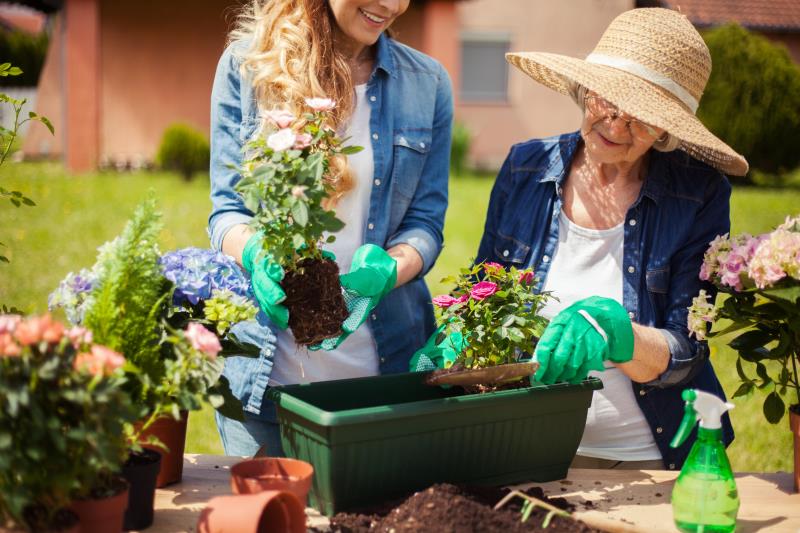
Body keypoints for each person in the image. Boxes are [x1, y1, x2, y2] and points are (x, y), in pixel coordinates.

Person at [474, 8, 746, 471]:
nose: (617, 125)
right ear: (586, 87)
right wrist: (457, 333)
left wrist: (619, 335)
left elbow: (688, 348)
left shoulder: (698, 193)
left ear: (667, 129)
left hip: (642, 458)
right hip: (523, 446)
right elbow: (482, 292)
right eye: (610, 101)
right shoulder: (525, 167)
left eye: (643, 117)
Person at [208, 0, 453, 456]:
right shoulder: (249, 64)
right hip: (265, 382)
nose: (392, 5)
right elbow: (226, 212)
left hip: (385, 384)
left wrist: (388, 271)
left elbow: (426, 225)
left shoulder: (428, 83)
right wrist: (256, 254)